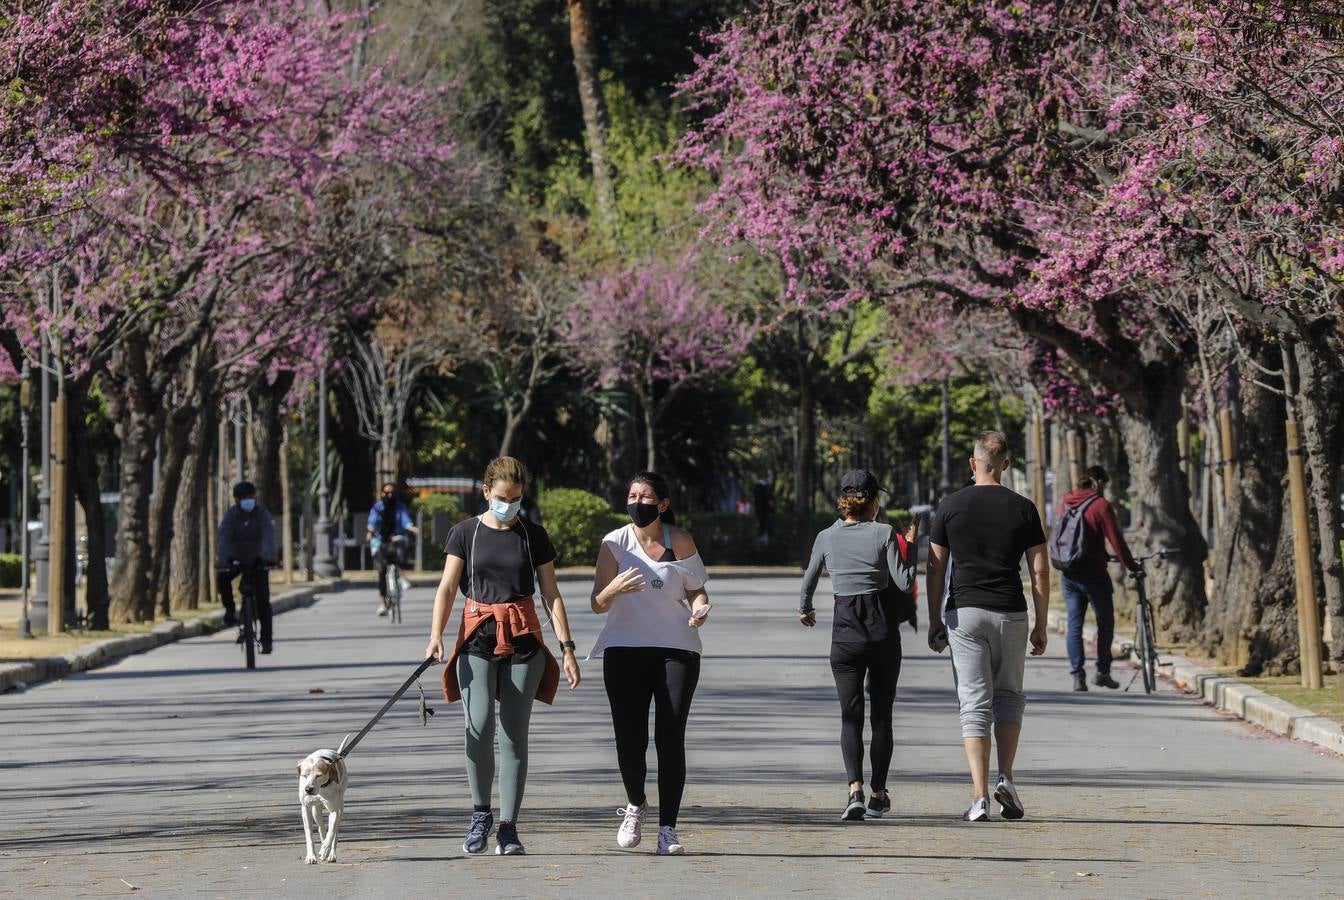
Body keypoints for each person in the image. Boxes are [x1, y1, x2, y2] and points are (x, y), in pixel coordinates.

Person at [424, 457, 581, 857]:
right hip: (477, 636)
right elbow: (446, 587)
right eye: (500, 497)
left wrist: (566, 648)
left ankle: (509, 827)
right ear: (485, 491)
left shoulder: (533, 535)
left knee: (514, 736)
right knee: (477, 729)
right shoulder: (465, 533)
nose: (508, 505)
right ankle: (480, 815)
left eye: (515, 498)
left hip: (524, 639)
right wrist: (435, 636)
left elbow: (551, 594)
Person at [926, 431, 1049, 823]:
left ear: (972, 463)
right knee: (1009, 695)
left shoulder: (950, 506)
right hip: (1010, 612)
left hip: (965, 613)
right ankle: (1007, 778)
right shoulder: (1024, 508)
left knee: (974, 702)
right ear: (1007, 465)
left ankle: (979, 797)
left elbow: (935, 567)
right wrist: (1041, 623)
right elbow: (1040, 568)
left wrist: (933, 620)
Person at [590, 471, 711, 856]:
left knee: (670, 736)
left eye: (644, 497)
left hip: (677, 648)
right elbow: (597, 602)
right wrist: (614, 588)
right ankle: (636, 804)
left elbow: (697, 589)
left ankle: (668, 829)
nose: (636, 502)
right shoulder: (615, 543)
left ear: (662, 504)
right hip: (624, 648)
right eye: (632, 495)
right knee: (630, 740)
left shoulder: (681, 540)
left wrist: (700, 609)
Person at [799, 469, 919, 821]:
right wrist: (909, 547)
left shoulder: (826, 536)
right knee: (882, 716)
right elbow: (904, 580)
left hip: (845, 637)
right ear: (873, 502)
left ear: (844, 501)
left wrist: (806, 609)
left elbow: (808, 580)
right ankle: (879, 794)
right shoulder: (885, 533)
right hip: (882, 636)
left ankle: (854, 789)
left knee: (850, 716)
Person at [1057, 465, 1138, 691]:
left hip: (1069, 572)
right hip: (1093, 574)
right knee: (1105, 622)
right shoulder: (1100, 505)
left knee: (1074, 624)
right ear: (1099, 482)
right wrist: (1131, 566)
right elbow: (1117, 541)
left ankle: (1077, 677)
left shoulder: (1065, 500)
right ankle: (1103, 671)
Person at [216, 480, 278, 653]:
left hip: (259, 560)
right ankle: (229, 611)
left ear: (254, 497)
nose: (247, 500)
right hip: (236, 559)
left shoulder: (262, 514)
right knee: (222, 578)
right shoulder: (231, 516)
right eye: (242, 497)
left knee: (263, 599)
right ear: (236, 500)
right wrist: (222, 559)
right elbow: (223, 538)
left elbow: (269, 536)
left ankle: (266, 640)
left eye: (249, 497)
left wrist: (269, 556)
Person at [366, 482, 420, 616]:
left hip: (396, 539)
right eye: (386, 493)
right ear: (381, 494)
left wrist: (411, 527)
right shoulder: (377, 508)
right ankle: (382, 604)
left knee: (400, 549)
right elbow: (371, 523)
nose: (389, 496)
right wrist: (370, 531)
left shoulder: (400, 507)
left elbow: (405, 521)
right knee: (381, 571)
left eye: (392, 493)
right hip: (380, 541)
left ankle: (401, 576)